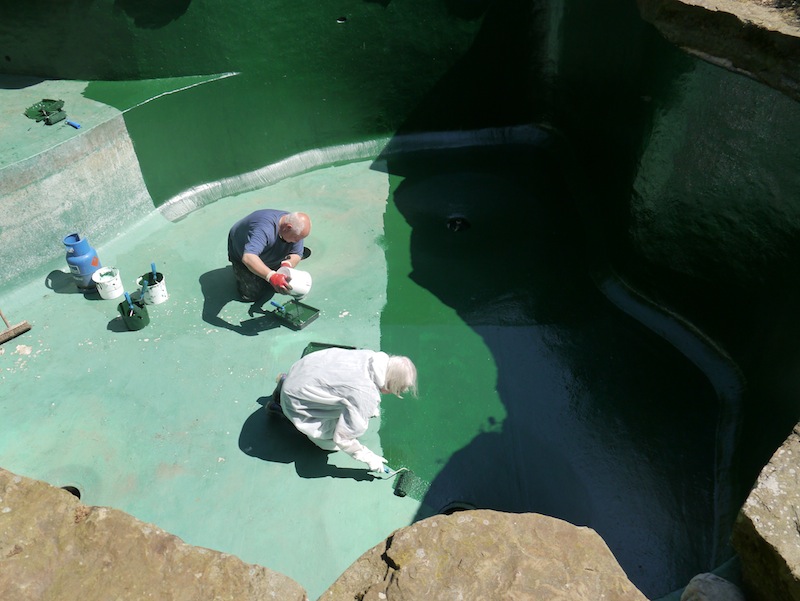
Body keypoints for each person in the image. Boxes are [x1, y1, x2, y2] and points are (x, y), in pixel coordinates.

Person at [268, 347, 418, 472]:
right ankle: (282, 408)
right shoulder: (365, 394)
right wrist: (369, 457)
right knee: (329, 444)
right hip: (295, 398)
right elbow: (343, 438)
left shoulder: (370, 357)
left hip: (302, 371)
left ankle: (284, 382)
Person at [228, 210, 312, 302]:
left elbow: (297, 253)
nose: (297, 241)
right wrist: (271, 276)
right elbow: (248, 257)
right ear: (287, 227)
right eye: (296, 238)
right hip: (244, 255)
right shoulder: (264, 229)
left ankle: (265, 271)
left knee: (282, 286)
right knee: (251, 295)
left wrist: (287, 265)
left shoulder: (296, 226)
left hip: (269, 251)